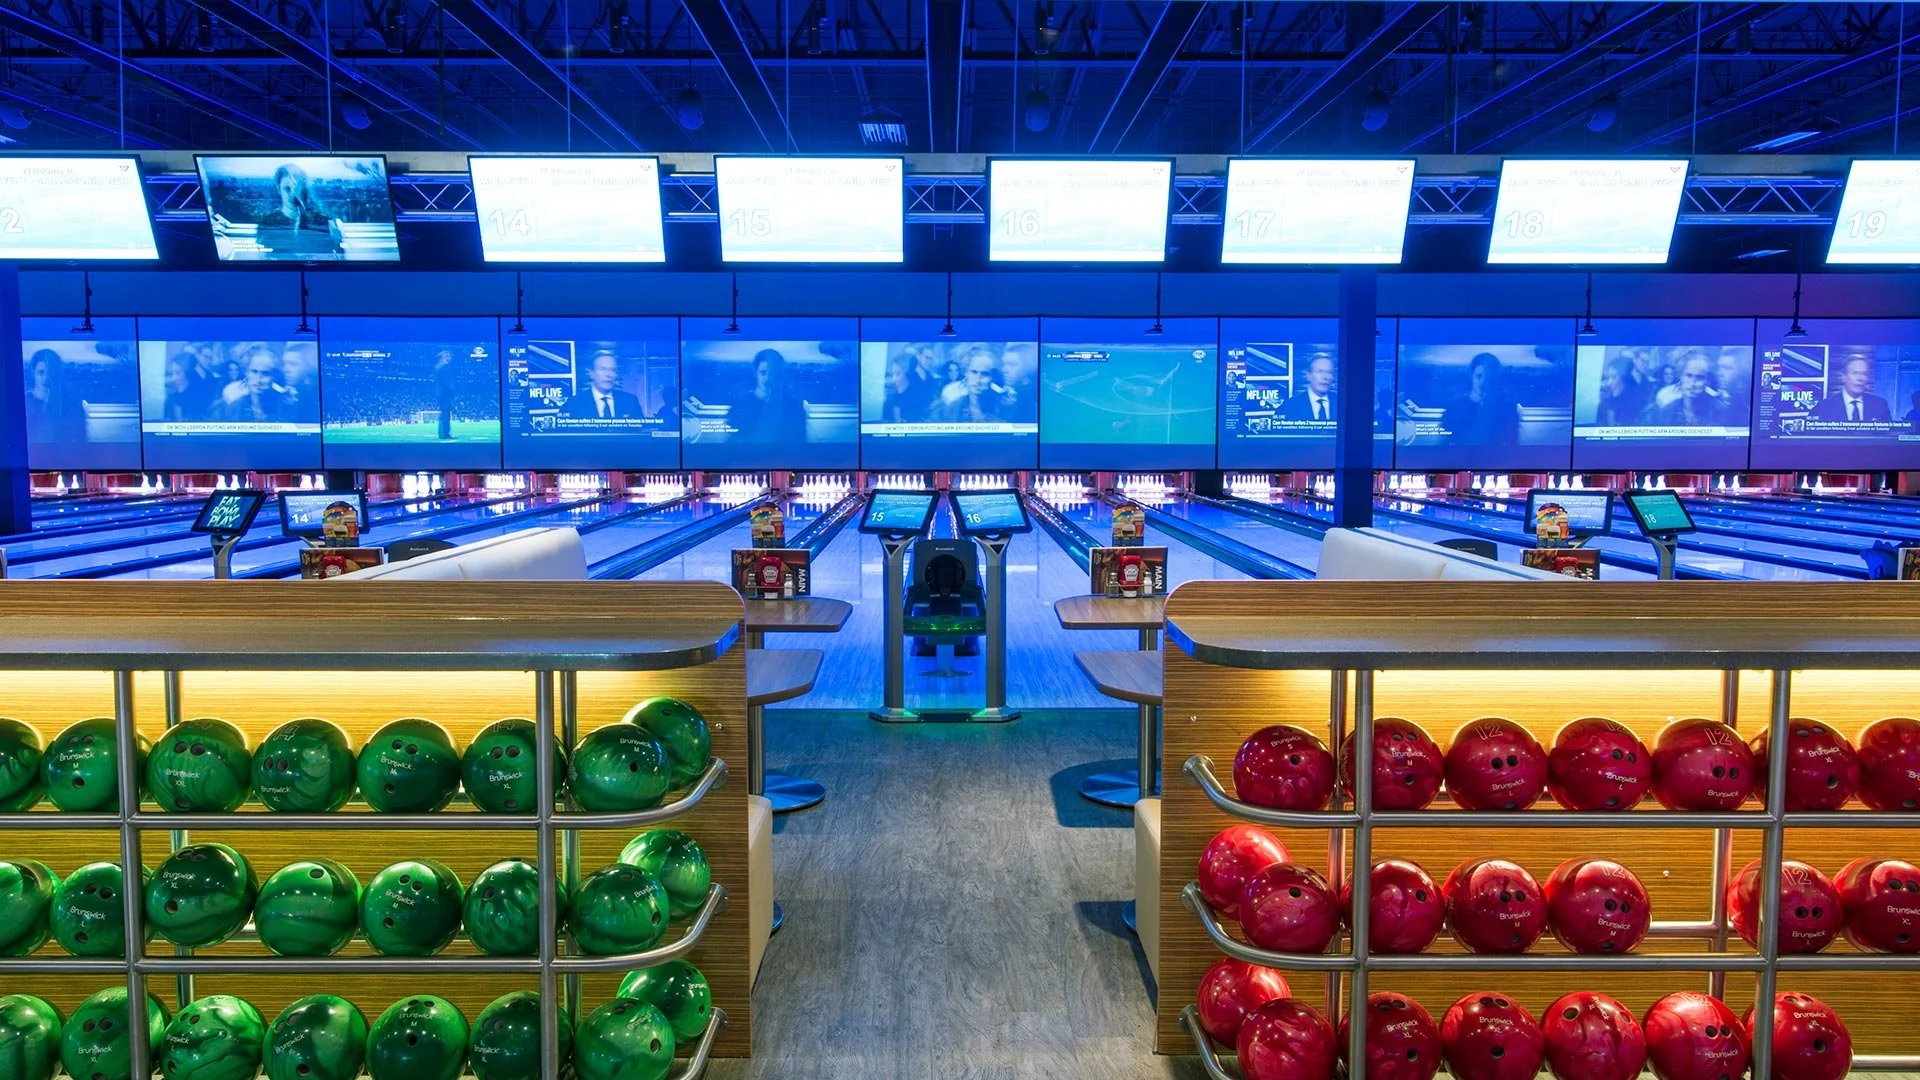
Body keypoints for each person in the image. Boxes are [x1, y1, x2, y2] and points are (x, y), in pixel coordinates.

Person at [251, 163, 344, 258]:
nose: (293, 194)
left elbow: (334, 256)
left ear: (305, 190)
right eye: (287, 189)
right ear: (279, 189)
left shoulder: (323, 222)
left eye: (297, 188)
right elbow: (262, 259)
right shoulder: (267, 224)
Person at [1439, 352, 1520, 447]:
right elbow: (1443, 445)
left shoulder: (1508, 410)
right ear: (1471, 377)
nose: (1483, 383)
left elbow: (1512, 446)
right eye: (1479, 376)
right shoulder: (1453, 408)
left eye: (1489, 378)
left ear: (1496, 379)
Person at [727, 349, 808, 444]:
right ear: (756, 374)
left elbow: (799, 442)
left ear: (780, 375)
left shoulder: (794, 406)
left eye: (773, 373)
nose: (768, 378)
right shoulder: (740, 405)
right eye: (763, 373)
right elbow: (733, 440)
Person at [211, 345, 298, 422]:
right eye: (254, 372)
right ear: (247, 373)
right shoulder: (234, 408)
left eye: (265, 373)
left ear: (274, 376)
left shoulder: (287, 407)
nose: (258, 380)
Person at [931, 347, 1015, 423]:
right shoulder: (953, 408)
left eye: (984, 374)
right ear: (966, 373)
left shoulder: (1005, 407)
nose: (978, 380)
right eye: (974, 372)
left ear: (992, 377)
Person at [560, 351, 643, 421]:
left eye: (612, 370)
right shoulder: (573, 404)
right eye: (603, 369)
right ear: (591, 373)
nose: (608, 375)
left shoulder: (631, 402)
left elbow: (641, 436)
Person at [1654, 354, 1732, 427]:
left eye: (1699, 377)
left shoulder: (1720, 411)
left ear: (1707, 381)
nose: (1693, 383)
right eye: (1688, 375)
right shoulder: (1666, 412)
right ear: (1681, 377)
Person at [1809, 355, 1892, 423]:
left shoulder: (1880, 405)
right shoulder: (1824, 408)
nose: (1860, 378)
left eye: (1864, 374)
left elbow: (1889, 439)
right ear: (1843, 376)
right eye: (1855, 373)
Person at [24, 349, 82, 445]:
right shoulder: (23, 404)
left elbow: (79, 440)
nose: (46, 378)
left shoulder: (72, 406)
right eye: (41, 373)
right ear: (33, 372)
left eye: (51, 373)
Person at [1279, 352, 1337, 422]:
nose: (1325, 377)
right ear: (1308, 375)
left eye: (1329, 372)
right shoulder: (1289, 406)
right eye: (1319, 371)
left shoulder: (1342, 403)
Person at [1595, 353, 1649, 426]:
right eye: (1608, 378)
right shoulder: (1604, 401)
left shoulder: (1642, 390)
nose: (1609, 383)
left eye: (1613, 377)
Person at [880, 355, 917, 424]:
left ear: (908, 374)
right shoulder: (890, 399)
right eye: (892, 374)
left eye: (898, 374)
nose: (893, 379)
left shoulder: (917, 399)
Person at [433, 349, 458, 439]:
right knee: (446, 413)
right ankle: (445, 434)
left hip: (441, 394)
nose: (450, 357)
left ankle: (442, 433)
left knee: (444, 413)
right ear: (443, 357)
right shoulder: (444, 368)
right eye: (448, 356)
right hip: (445, 394)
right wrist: (453, 392)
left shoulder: (437, 367)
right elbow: (448, 382)